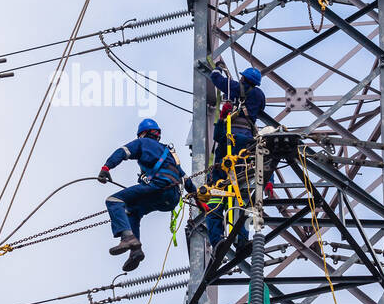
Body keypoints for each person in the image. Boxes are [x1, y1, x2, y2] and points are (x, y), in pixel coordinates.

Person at [98, 119, 198, 272]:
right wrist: (199, 200)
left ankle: (127, 238)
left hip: (158, 187)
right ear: (157, 135)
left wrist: (106, 168)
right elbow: (186, 180)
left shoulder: (142, 143)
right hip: (172, 198)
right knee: (132, 210)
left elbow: (122, 152)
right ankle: (135, 251)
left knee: (113, 200)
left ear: (143, 134)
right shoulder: (170, 154)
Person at [202, 62, 268, 251]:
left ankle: (217, 241)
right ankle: (242, 239)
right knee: (244, 194)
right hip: (247, 143)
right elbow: (259, 110)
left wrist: (218, 69)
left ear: (244, 78)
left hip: (230, 140)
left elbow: (215, 78)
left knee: (216, 192)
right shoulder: (259, 96)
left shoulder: (235, 87)